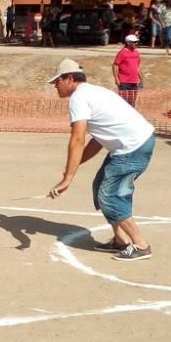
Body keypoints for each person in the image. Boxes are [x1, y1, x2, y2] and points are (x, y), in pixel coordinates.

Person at [47, 59, 157, 262]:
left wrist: (67, 178)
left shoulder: (78, 98)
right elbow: (98, 140)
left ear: (70, 79)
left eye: (58, 81)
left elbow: (78, 139)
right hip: (133, 144)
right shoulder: (91, 92)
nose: (55, 85)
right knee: (100, 188)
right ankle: (120, 240)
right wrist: (75, 164)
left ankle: (140, 245)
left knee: (110, 196)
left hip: (133, 147)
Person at [113, 34, 142, 107]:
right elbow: (115, 65)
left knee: (132, 102)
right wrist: (116, 79)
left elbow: (137, 67)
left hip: (134, 82)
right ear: (128, 43)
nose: (136, 43)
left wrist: (141, 78)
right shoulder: (122, 53)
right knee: (124, 103)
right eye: (134, 42)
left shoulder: (137, 53)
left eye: (136, 42)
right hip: (124, 82)